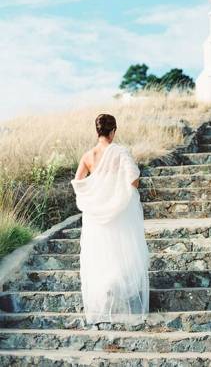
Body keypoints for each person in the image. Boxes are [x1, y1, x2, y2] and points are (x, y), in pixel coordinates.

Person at [71, 113, 149, 325]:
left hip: (96, 214)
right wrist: (121, 197)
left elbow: (77, 183)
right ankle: (119, 288)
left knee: (101, 251)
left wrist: (94, 197)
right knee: (120, 248)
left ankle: (105, 290)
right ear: (113, 131)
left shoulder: (88, 156)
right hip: (118, 210)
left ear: (97, 131)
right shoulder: (120, 152)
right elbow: (133, 178)